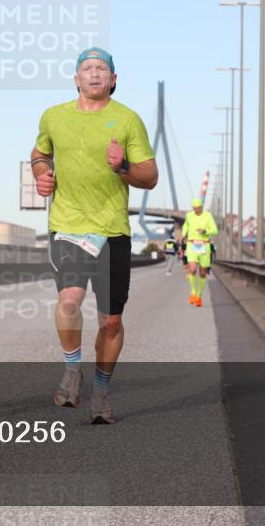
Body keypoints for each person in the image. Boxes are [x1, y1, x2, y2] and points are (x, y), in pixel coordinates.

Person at [30, 47, 158, 424]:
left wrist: (123, 167)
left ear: (114, 79)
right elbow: (40, 153)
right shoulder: (54, 116)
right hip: (68, 224)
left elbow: (149, 177)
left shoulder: (128, 120)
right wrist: (42, 173)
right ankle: (73, 369)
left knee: (111, 322)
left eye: (103, 68)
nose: (95, 73)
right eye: (87, 68)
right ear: (76, 78)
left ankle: (101, 390)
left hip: (112, 230)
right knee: (69, 300)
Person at [181, 198, 217, 307]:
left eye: (198, 208)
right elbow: (186, 225)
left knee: (202, 273)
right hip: (191, 244)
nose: (196, 210)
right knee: (192, 269)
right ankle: (193, 292)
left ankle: (199, 296)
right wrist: (183, 234)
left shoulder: (208, 216)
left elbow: (215, 230)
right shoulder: (189, 215)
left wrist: (205, 231)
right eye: (195, 209)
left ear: (202, 207)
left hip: (204, 245)